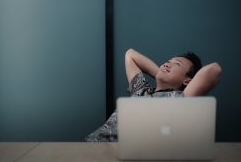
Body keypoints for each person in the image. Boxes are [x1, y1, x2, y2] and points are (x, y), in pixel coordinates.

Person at [85, 48, 221, 142]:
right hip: (91, 146)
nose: (167, 64)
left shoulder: (181, 100)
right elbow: (130, 54)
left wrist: (169, 79)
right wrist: (162, 74)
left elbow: (214, 70)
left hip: (121, 154)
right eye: (168, 62)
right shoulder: (141, 90)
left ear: (188, 80)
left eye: (177, 64)